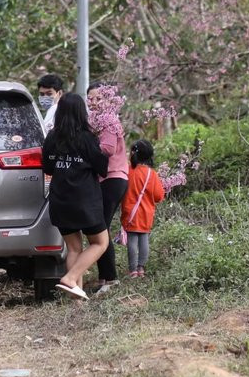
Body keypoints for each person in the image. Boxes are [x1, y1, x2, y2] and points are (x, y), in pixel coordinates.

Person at [42, 93, 110, 300]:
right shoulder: (87, 138)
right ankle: (70, 278)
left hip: (60, 199)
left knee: (73, 248)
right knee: (100, 242)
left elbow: (48, 167)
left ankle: (77, 302)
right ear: (82, 113)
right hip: (84, 201)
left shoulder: (52, 138)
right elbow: (102, 168)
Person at [87, 82, 129, 295]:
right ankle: (104, 276)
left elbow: (108, 148)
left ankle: (111, 279)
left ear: (108, 100)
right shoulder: (94, 121)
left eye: (98, 98)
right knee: (98, 227)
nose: (93, 102)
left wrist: (84, 146)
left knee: (100, 228)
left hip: (113, 178)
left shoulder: (109, 120)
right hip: (104, 180)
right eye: (90, 98)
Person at [121, 140, 165, 279]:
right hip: (146, 214)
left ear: (133, 154)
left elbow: (121, 190)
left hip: (130, 213)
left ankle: (133, 270)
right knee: (144, 239)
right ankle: (141, 268)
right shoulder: (152, 174)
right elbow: (159, 196)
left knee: (132, 241)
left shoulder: (128, 171)